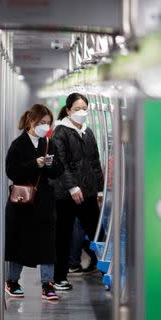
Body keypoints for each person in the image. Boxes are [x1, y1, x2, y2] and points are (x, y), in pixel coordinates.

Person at [4, 103, 64, 301]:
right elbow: (12, 172)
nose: (45, 127)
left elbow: (58, 170)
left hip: (44, 201)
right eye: (42, 123)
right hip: (23, 201)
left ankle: (48, 284)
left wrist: (50, 165)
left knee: (48, 244)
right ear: (31, 122)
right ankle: (12, 281)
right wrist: (33, 164)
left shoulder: (49, 143)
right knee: (20, 243)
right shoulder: (18, 144)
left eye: (48, 123)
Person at [50, 92, 104, 291]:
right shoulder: (60, 132)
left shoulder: (87, 132)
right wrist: (72, 187)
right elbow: (61, 163)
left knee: (98, 233)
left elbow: (95, 163)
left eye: (84, 108)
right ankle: (59, 277)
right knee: (63, 236)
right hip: (65, 194)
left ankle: (109, 270)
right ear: (68, 110)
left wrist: (99, 190)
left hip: (88, 193)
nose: (81, 112)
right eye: (77, 109)